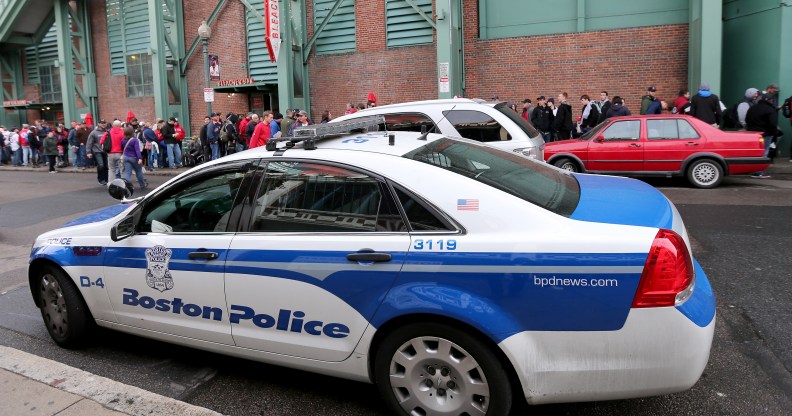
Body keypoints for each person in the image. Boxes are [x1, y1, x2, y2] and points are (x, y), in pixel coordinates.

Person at [745, 93, 778, 178]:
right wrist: (773, 133)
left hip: (752, 134)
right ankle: (758, 172)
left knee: (754, 153)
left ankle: (751, 169)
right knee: (764, 152)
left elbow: (746, 119)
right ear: (769, 100)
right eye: (772, 100)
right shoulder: (770, 110)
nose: (772, 101)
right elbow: (772, 124)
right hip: (764, 134)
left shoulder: (752, 108)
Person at [121, 125, 147, 190]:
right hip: (134, 158)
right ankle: (142, 185)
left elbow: (122, 148)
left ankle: (127, 186)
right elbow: (137, 150)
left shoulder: (123, 140)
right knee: (138, 172)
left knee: (127, 173)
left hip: (126, 157)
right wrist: (140, 158)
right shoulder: (135, 140)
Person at [86, 119, 109, 185]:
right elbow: (89, 143)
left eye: (104, 123)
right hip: (97, 151)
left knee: (106, 166)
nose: (103, 124)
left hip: (105, 151)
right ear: (98, 124)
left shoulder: (107, 132)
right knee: (101, 165)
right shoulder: (94, 132)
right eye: (102, 123)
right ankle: (101, 179)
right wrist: (88, 152)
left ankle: (106, 179)